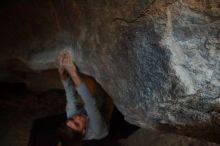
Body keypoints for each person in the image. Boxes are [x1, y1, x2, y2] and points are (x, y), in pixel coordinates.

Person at [55, 50, 109, 146]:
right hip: (106, 121)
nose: (76, 117)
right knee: (103, 97)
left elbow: (69, 94)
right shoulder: (96, 129)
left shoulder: (72, 116)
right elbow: (90, 103)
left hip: (93, 111)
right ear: (83, 131)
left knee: (83, 87)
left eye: (71, 120)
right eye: (77, 124)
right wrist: (73, 73)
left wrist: (62, 73)